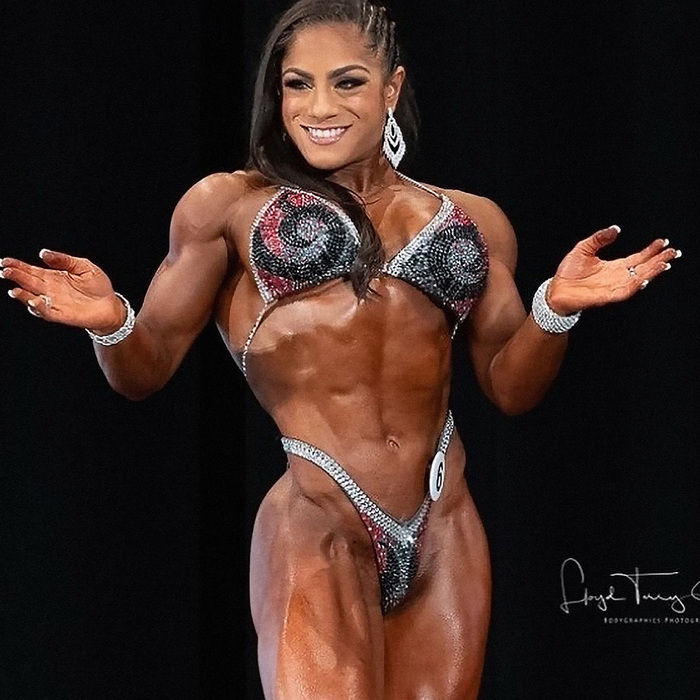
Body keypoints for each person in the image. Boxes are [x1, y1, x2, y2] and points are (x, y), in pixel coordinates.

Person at [0, 0, 681, 697]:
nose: (318, 106)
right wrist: (113, 322)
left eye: (347, 82)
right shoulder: (227, 207)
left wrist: (555, 310)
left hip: (444, 526)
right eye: (297, 84)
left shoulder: (472, 219)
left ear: (392, 88)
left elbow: (512, 387)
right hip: (317, 517)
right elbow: (145, 368)